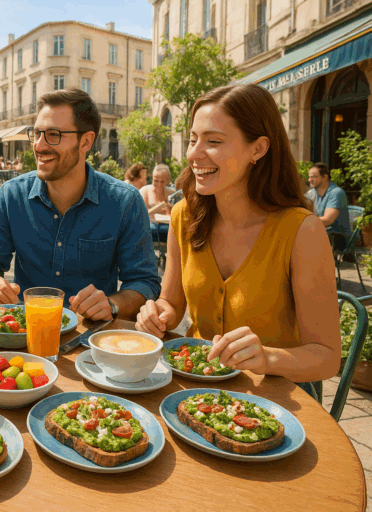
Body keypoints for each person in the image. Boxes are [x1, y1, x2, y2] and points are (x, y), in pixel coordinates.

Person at [135, 84, 340, 384]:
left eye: (213, 141)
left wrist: (267, 357)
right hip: (194, 387)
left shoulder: (302, 231)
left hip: (275, 400)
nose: (195, 154)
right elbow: (172, 306)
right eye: (193, 140)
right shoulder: (184, 216)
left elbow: (326, 357)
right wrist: (155, 315)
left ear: (257, 149)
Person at [0, 89, 161, 321]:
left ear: (86, 141)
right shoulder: (12, 195)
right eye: (37, 133)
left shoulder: (124, 202)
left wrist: (112, 304)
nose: (39, 146)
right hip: (25, 336)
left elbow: (145, 282)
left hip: (91, 342)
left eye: (53, 134)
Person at [305, 162, 351, 249]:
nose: (309, 180)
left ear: (325, 177)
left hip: (337, 238)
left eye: (313, 177)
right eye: (309, 177)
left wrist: (305, 221)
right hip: (321, 233)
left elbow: (328, 220)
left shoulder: (336, 193)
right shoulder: (312, 193)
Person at [140, 164, 175, 243]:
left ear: (168, 180)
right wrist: (161, 205)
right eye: (156, 181)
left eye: (162, 181)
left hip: (167, 226)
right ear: (152, 179)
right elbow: (143, 214)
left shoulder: (171, 192)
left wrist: (169, 209)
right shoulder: (145, 191)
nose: (159, 184)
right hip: (151, 227)